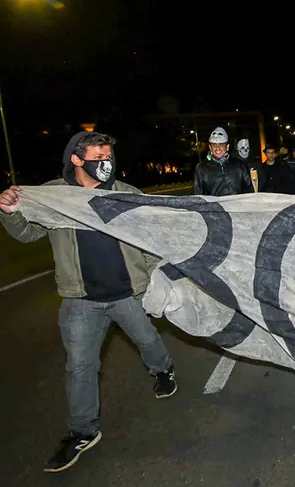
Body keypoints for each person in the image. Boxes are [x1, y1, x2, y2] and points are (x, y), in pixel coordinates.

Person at [0, 131, 177, 472]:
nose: (107, 164)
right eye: (99, 157)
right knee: (80, 366)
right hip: (81, 300)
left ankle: (163, 369)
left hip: (128, 293)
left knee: (148, 340)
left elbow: (152, 238)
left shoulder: (126, 195)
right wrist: (9, 211)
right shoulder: (54, 196)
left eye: (110, 156)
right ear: (77, 160)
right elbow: (26, 233)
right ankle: (83, 431)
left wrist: (159, 279)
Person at [193, 127, 253, 196]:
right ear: (210, 147)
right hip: (215, 206)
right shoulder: (201, 168)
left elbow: (249, 189)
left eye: (221, 144)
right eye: (214, 144)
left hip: (237, 205)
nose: (217, 148)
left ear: (227, 147)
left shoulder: (238, 165)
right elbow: (198, 194)